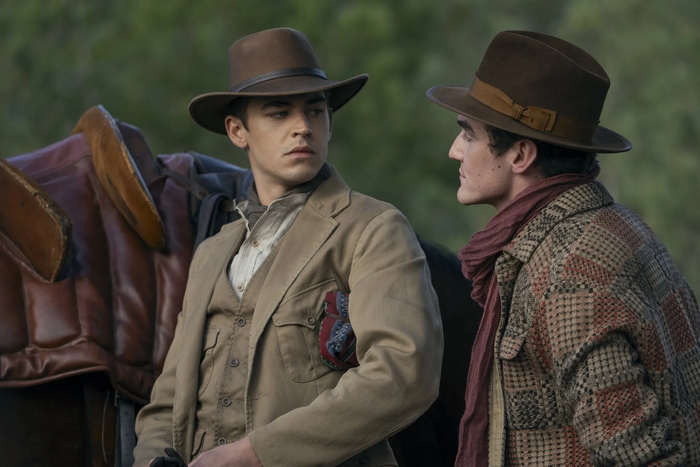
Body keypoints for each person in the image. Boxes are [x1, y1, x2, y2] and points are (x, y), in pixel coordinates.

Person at [133, 28, 443, 467]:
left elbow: (403, 375)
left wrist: (255, 455)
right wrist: (151, 461)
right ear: (237, 130)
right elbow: (166, 404)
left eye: (316, 111)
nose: (303, 127)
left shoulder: (373, 228)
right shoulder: (212, 253)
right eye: (279, 113)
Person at [427, 31, 700, 466]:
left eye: (469, 135)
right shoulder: (614, 224)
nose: (454, 151)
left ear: (520, 155)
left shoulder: (567, 276)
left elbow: (637, 456)